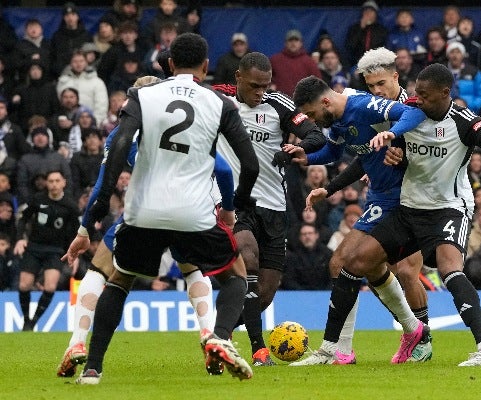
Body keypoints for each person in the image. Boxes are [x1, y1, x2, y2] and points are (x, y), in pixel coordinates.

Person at [69, 33, 259, 384]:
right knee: (235, 274)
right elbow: (248, 165)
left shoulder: (142, 96)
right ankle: (217, 337)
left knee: (120, 279)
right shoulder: (220, 104)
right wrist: (234, 209)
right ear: (206, 66)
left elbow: (119, 149)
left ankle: (93, 368)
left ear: (169, 64)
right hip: (195, 212)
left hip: (144, 211)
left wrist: (95, 215)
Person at [351, 63, 481, 366]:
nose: (419, 101)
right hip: (409, 208)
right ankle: (415, 333)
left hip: (448, 208)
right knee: (360, 262)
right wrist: (395, 155)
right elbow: (391, 149)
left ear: (446, 94)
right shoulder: (408, 111)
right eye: (417, 94)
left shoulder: (464, 121)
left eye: (426, 96)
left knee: (449, 269)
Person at [287, 75, 430, 366]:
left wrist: (392, 134)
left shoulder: (365, 106)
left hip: (399, 197)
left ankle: (340, 350)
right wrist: (308, 156)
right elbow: (335, 150)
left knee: (343, 263)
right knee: (366, 266)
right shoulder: (338, 122)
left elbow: (413, 112)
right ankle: (414, 330)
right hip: (378, 197)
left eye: (313, 114)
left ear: (325, 101)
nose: (314, 121)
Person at [214, 51, 326, 367]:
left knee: (263, 294)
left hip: (274, 207)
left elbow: (316, 135)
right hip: (235, 204)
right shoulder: (220, 101)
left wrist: (298, 147)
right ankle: (258, 350)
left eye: (264, 85)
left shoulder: (278, 104)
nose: (260, 92)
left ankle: (218, 335)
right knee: (247, 258)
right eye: (253, 86)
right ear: (237, 77)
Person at [15, 170, 79, 331]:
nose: (54, 184)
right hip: (34, 247)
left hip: (55, 250)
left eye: (57, 181)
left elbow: (75, 233)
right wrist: (21, 239)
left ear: (64, 182)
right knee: (24, 285)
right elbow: (23, 219)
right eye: (51, 181)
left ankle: (33, 321)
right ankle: (26, 319)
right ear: (46, 183)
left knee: (50, 287)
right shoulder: (38, 199)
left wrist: (74, 253)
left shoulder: (70, 205)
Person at [281, 222, 333, 290]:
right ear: (300, 237)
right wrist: (304, 294)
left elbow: (333, 279)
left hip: (324, 294)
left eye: (310, 233)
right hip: (299, 296)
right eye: (304, 234)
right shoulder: (293, 256)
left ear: (316, 235)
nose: (307, 236)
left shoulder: (328, 254)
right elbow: (289, 280)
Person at [269, 29, 321, 97]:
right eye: (290, 40)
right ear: (285, 43)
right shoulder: (274, 60)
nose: (293, 43)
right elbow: (265, 79)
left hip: (302, 103)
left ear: (301, 43)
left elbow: (318, 83)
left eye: (296, 40)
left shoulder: (309, 62)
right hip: (279, 101)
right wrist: (271, 86)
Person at [344, 1, 388, 68]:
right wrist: (360, 29)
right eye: (366, 11)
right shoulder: (354, 28)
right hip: (357, 63)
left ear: (375, 14)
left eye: (371, 11)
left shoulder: (381, 30)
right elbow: (350, 46)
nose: (368, 14)